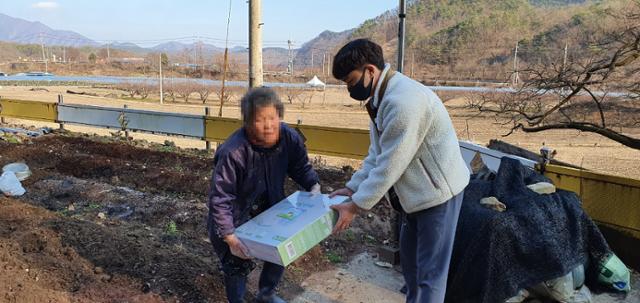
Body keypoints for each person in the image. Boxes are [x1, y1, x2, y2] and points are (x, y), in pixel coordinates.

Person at [329, 39, 470, 303]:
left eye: (350, 81)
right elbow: (378, 153)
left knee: (430, 277)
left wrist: (356, 205)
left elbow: (391, 164)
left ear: (370, 70)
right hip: (413, 196)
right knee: (412, 270)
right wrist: (352, 187)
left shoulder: (403, 102)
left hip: (438, 195)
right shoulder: (380, 98)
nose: (349, 89)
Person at [207, 87, 321, 303]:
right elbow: (221, 199)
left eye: (273, 117)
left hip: (271, 208)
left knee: (279, 252)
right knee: (236, 264)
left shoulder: (289, 137)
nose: (268, 126)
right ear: (248, 123)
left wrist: (313, 184)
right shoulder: (233, 152)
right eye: (260, 120)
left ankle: (266, 294)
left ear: (279, 116)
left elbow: (300, 166)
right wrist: (229, 236)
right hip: (236, 216)